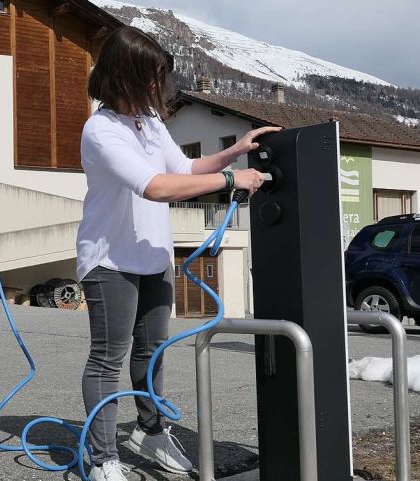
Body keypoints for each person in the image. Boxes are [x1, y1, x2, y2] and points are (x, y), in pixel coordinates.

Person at [77, 26, 278, 481]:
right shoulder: (101, 130)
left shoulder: (148, 122)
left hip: (153, 255)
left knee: (152, 353)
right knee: (108, 358)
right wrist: (231, 181)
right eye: (151, 76)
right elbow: (155, 187)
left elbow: (184, 168)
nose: (158, 85)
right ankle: (103, 457)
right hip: (109, 260)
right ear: (125, 74)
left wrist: (234, 153)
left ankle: (149, 432)